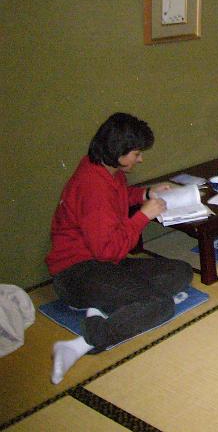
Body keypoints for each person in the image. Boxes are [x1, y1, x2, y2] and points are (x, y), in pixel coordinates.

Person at [45, 112, 193, 384]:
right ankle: (80, 344)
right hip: (77, 273)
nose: (140, 159)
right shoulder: (92, 185)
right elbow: (109, 251)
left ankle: (106, 305)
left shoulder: (106, 170)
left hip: (103, 265)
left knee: (180, 272)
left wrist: (146, 194)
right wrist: (143, 216)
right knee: (159, 304)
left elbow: (120, 197)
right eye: (137, 153)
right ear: (119, 151)